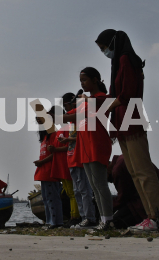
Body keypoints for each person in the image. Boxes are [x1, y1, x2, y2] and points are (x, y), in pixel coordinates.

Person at [97, 29, 159, 232]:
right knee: (134, 172)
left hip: (131, 118)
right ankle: (150, 216)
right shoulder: (118, 62)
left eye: (104, 48)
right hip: (122, 120)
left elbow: (127, 94)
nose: (104, 52)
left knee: (143, 170)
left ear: (113, 43)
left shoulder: (126, 60)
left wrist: (105, 107)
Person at [61, 68, 113, 230]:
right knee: (94, 187)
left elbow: (91, 107)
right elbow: (70, 115)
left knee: (100, 184)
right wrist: (50, 116)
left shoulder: (101, 98)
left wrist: (83, 99)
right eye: (81, 81)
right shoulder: (85, 102)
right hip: (84, 147)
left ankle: (108, 220)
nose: (82, 84)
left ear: (95, 79)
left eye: (84, 80)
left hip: (97, 144)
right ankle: (102, 220)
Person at [58, 93, 96, 228]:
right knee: (77, 191)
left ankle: (89, 218)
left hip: (80, 158)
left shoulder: (80, 118)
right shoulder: (72, 122)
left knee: (85, 190)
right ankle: (83, 218)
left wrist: (68, 140)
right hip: (71, 158)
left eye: (66, 105)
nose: (66, 109)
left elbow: (83, 137)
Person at [108, 155, 159, 230]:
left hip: (148, 202)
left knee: (115, 222)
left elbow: (123, 197)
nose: (110, 181)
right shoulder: (122, 158)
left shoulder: (117, 169)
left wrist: (108, 207)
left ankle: (150, 221)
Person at [33, 126, 63, 228]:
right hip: (43, 172)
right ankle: (49, 221)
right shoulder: (44, 139)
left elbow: (55, 153)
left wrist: (41, 162)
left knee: (52, 197)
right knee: (46, 198)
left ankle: (56, 221)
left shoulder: (53, 135)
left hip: (50, 172)